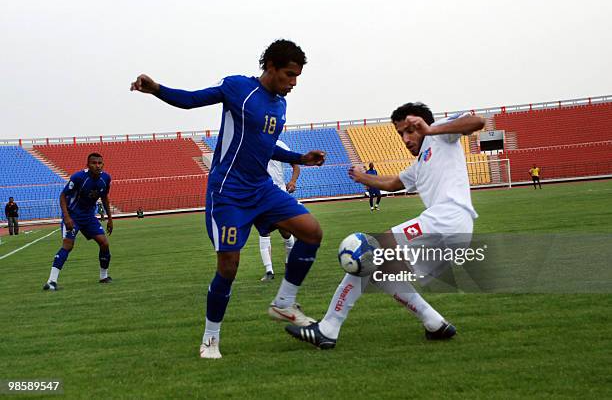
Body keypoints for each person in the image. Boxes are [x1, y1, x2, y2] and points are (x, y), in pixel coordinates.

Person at [131, 39, 326, 359]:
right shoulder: (238, 88)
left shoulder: (280, 105)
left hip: (261, 188)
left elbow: (266, 147)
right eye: (289, 75)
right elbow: (192, 99)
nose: (293, 83)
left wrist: (300, 158)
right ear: (271, 67)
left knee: (312, 232)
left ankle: (284, 304)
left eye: (297, 78)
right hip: (228, 193)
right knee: (229, 266)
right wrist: (156, 89)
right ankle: (210, 338)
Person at [285, 102, 485, 349]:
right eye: (401, 133)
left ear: (424, 125)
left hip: (448, 219)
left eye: (410, 131)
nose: (405, 138)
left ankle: (328, 328)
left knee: (368, 251)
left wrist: (430, 130)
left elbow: (478, 122)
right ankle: (434, 323)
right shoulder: (419, 164)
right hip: (449, 227)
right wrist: (361, 177)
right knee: (378, 270)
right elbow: (392, 183)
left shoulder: (442, 134)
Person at [43, 153, 114, 291]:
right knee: (68, 246)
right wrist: (67, 217)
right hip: (73, 216)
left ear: (103, 165)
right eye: (94, 163)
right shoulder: (79, 177)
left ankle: (103, 276)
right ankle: (51, 282)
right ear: (88, 165)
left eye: (100, 163)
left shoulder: (106, 178)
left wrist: (110, 219)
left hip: (89, 217)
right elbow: (63, 196)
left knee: (104, 243)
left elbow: (104, 197)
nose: (97, 166)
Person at [259, 139, 300, 282]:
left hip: (279, 193)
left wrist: (293, 181)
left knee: (286, 232)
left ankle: (289, 264)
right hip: (261, 195)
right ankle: (269, 271)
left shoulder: (280, 145)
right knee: (263, 232)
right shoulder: (252, 143)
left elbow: (296, 166)